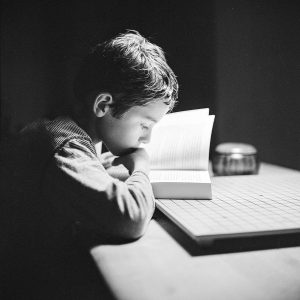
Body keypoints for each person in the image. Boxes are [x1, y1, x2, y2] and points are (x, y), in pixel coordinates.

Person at [0, 30, 178, 298]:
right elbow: (128, 218)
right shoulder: (64, 145)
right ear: (104, 104)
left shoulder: (66, 131)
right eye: (144, 125)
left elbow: (92, 169)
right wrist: (141, 166)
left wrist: (116, 165)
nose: (147, 138)